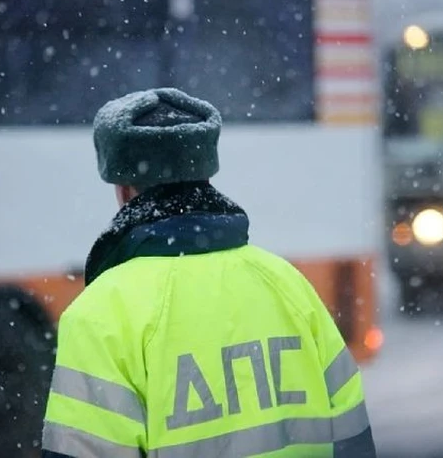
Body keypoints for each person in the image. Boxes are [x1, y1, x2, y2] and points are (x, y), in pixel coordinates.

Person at [41, 87, 376, 457]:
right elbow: (353, 438)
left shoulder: (97, 316)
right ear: (206, 177)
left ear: (123, 192)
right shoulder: (288, 284)